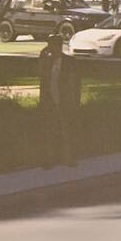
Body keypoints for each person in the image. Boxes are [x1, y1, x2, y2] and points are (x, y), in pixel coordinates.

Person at [33, 28, 80, 168]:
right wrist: (42, 56)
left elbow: (74, 83)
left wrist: (74, 101)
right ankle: (49, 159)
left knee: (66, 131)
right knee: (49, 130)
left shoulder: (70, 62)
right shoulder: (47, 62)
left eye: (52, 46)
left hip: (64, 101)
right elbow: (40, 75)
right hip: (50, 101)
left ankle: (68, 158)